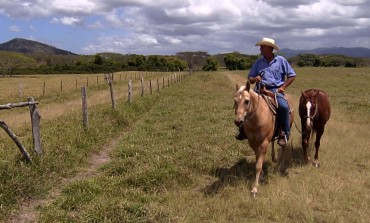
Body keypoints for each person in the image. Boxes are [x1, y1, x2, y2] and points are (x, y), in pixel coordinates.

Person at [235, 37, 296, 147]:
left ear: (269, 48)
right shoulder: (258, 62)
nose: (260, 49)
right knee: (245, 104)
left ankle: (284, 133)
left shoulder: (281, 60)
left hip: (275, 90)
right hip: (259, 89)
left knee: (283, 107)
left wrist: (283, 87)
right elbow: (250, 78)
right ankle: (243, 131)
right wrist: (255, 79)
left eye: (262, 47)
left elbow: (292, 75)